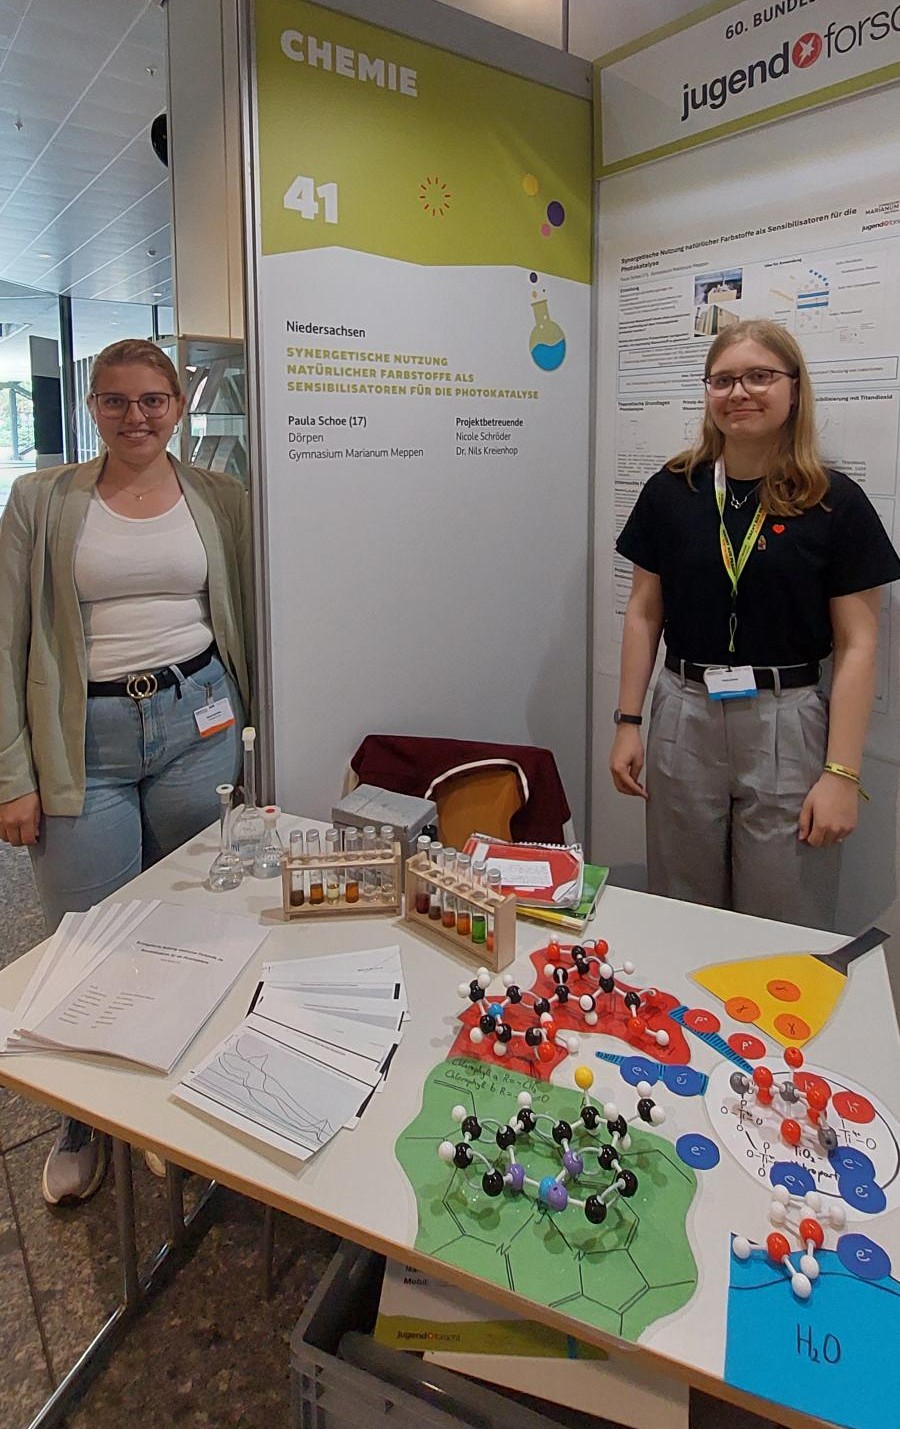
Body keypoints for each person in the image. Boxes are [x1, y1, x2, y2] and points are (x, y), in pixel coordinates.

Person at [0, 339, 253, 1204]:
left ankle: (164, 1095)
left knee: (192, 918)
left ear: (178, 405)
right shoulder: (40, 502)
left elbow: (250, 616)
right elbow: (5, 644)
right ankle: (85, 1115)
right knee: (83, 935)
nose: (135, 416)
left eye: (152, 399)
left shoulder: (220, 497)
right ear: (92, 408)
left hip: (198, 721)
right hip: (84, 743)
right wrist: (12, 777)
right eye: (115, 401)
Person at [610, 318, 900, 928]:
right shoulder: (671, 490)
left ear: (794, 389)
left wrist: (842, 774)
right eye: (723, 380)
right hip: (683, 712)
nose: (739, 393)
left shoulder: (834, 501)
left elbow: (858, 645)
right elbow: (643, 612)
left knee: (783, 916)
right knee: (679, 907)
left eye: (760, 377)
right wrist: (628, 722)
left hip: (785, 721)